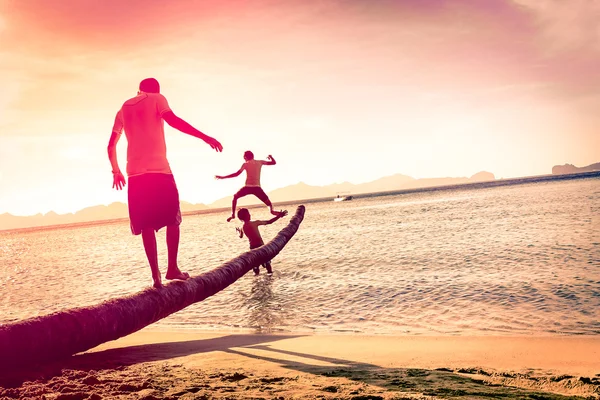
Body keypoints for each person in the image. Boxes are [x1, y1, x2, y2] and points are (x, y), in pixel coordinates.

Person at [107, 77, 223, 289]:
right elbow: (174, 121)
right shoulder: (157, 99)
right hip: (159, 170)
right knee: (172, 218)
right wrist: (206, 138)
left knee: (146, 224)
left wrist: (116, 171)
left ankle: (156, 276)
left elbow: (111, 145)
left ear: (139, 90)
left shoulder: (123, 109)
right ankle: (172, 268)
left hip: (134, 174)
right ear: (155, 91)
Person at [215, 151, 285, 222]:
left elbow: (237, 174)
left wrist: (223, 177)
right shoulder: (260, 162)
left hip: (247, 188)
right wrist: (271, 157)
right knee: (269, 205)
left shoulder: (245, 164)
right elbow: (274, 163)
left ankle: (233, 215)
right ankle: (273, 212)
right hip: (257, 188)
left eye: (243, 157)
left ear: (245, 157)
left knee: (235, 197)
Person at [235, 208, 288, 275]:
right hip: (261, 246)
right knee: (268, 265)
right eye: (248, 214)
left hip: (252, 248)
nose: (249, 214)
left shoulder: (243, 227)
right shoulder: (255, 223)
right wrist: (279, 216)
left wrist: (238, 231)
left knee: (256, 267)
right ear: (247, 216)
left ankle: (257, 281)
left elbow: (240, 236)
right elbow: (269, 222)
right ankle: (269, 279)